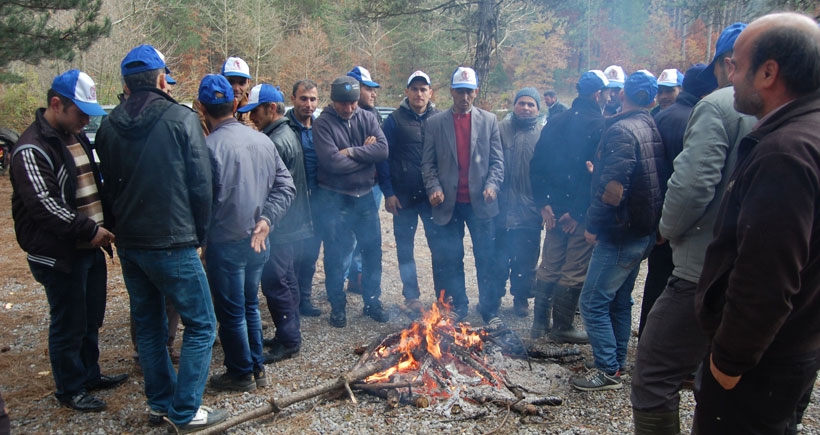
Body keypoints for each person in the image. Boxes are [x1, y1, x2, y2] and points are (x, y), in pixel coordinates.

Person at [693, 13, 820, 433]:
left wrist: (727, 364)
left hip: (762, 365)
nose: (728, 73)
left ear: (768, 72)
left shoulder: (786, 152)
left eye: (735, 63)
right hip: (794, 346)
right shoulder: (807, 132)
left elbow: (767, 277)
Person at [630, 21, 753, 434]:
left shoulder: (720, 105)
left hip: (707, 267)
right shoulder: (797, 110)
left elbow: (693, 183)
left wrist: (667, 226)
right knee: (730, 376)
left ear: (725, 63)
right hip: (772, 274)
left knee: (654, 370)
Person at [95, 45, 226, 430]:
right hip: (174, 241)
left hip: (132, 244)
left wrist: (117, 228)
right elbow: (202, 186)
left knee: (150, 325)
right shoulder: (181, 119)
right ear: (159, 80)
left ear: (125, 83)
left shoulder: (107, 125)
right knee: (202, 324)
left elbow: (107, 189)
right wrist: (201, 235)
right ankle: (184, 411)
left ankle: (159, 403)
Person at [10, 69, 127, 412]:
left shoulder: (76, 137)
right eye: (80, 112)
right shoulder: (30, 148)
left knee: (91, 317)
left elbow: (94, 185)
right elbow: (44, 205)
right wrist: (89, 229)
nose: (85, 119)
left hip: (89, 247)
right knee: (68, 321)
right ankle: (70, 388)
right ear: (56, 104)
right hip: (61, 252)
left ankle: (89, 373)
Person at [571, 70, 665, 392]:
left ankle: (607, 369)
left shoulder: (622, 130)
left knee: (593, 301)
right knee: (620, 299)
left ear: (622, 94)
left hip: (621, 232)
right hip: (643, 231)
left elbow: (613, 189)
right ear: (652, 98)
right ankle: (618, 362)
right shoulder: (650, 124)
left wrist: (593, 225)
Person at [200, 75, 295, 391]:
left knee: (231, 310)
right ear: (236, 105)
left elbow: (200, 201)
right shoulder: (262, 140)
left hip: (225, 243)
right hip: (258, 239)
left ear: (202, 109)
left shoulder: (208, 148)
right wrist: (268, 219)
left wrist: (201, 239)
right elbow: (285, 186)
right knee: (249, 304)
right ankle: (256, 368)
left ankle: (241, 372)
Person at [636, 63, 717, 339]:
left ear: (681, 89)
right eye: (661, 91)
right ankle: (662, 340)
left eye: (668, 90)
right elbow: (692, 179)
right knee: (677, 282)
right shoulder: (698, 119)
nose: (664, 95)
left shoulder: (661, 117)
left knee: (657, 278)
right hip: (679, 216)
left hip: (661, 211)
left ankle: (649, 331)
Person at [528, 70, 610, 342]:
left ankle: (539, 325)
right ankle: (562, 327)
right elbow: (593, 175)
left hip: (554, 211)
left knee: (550, 264)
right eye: (607, 93)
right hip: (578, 212)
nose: (609, 97)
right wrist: (576, 212)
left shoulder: (555, 121)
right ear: (598, 94)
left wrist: (544, 204)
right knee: (573, 269)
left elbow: (536, 166)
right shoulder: (601, 125)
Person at [421, 66, 504, 324]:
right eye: (459, 92)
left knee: (487, 257)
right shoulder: (435, 123)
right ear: (451, 92)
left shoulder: (489, 121)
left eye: (469, 92)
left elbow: (498, 162)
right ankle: (457, 306)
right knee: (449, 256)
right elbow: (427, 163)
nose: (464, 97)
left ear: (476, 92)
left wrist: (493, 184)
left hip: (481, 202)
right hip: (448, 203)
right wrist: (433, 187)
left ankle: (489, 309)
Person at [240, 83, 310, 363]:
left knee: (275, 281)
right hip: (291, 221)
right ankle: (288, 332)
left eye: (255, 111)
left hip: (280, 223)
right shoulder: (285, 133)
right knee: (287, 279)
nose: (251, 117)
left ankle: (289, 339)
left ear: (271, 108)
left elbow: (273, 188)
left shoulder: (276, 141)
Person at [313, 76, 389, 327]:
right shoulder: (323, 124)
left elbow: (383, 150)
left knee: (372, 252)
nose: (348, 108)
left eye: (353, 103)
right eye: (343, 103)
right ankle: (337, 305)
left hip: (365, 197)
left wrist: (352, 151)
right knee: (336, 254)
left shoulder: (367, 117)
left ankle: (372, 302)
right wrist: (366, 155)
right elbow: (331, 163)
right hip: (336, 199)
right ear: (333, 101)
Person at [379, 70, 441, 317]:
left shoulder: (439, 118)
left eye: (423, 89)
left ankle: (443, 294)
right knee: (405, 249)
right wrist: (388, 192)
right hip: (403, 197)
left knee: (439, 246)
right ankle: (412, 296)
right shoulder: (393, 120)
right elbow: (383, 159)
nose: (418, 93)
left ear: (430, 92)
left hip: (432, 197)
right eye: (414, 89)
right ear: (407, 92)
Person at [495, 87, 543, 318]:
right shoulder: (499, 129)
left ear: (537, 109)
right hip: (499, 209)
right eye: (521, 103)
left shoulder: (543, 134)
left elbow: (548, 173)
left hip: (530, 210)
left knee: (526, 260)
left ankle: (521, 298)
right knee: (496, 257)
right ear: (514, 106)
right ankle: (492, 298)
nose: (525, 108)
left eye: (530, 104)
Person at [344, 66, 385, 294]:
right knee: (347, 237)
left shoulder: (374, 115)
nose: (373, 93)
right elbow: (340, 156)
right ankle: (344, 282)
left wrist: (363, 152)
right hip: (348, 189)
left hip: (373, 185)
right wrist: (363, 151)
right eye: (368, 89)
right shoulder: (344, 118)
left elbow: (381, 150)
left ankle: (357, 277)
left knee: (366, 238)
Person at [284, 80, 323, 317]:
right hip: (292, 200)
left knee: (311, 252)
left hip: (317, 199)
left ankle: (304, 299)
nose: (308, 104)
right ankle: (290, 301)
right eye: (303, 98)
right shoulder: (284, 127)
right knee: (291, 254)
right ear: (293, 99)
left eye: (313, 99)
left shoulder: (321, 127)